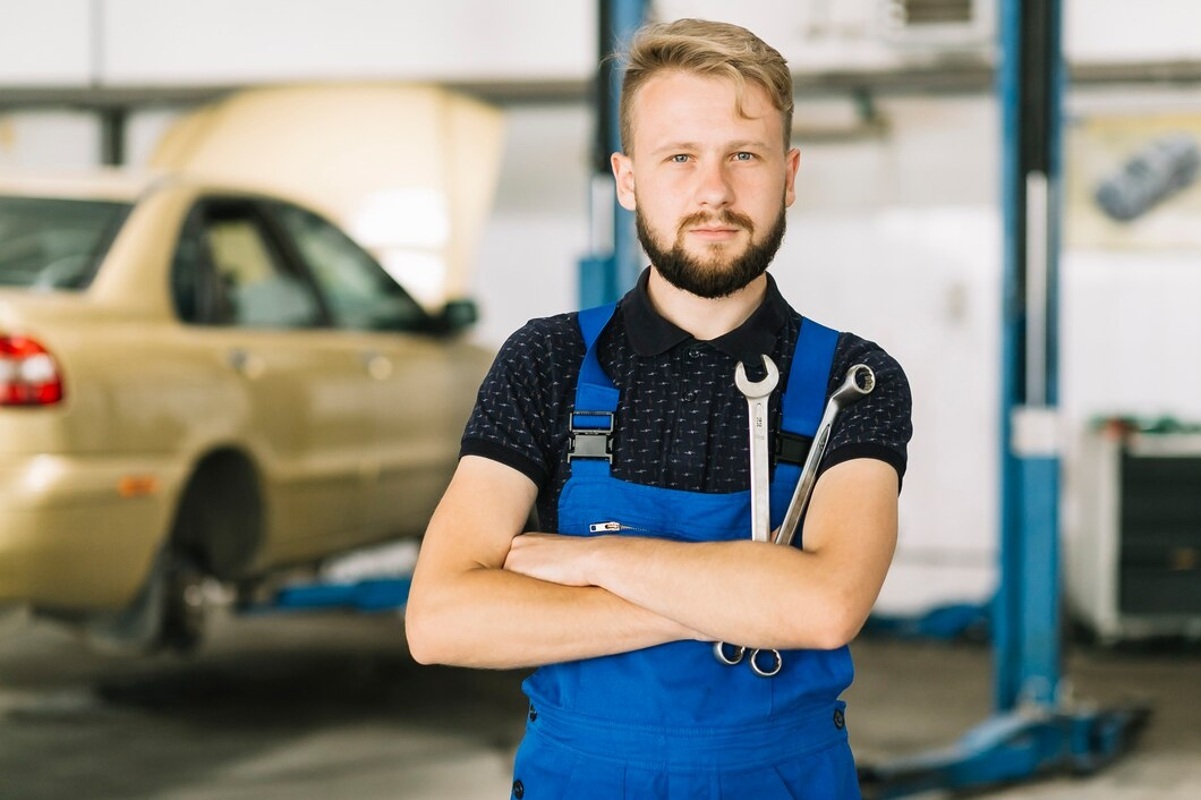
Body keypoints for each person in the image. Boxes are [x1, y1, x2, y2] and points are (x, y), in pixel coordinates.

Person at [406, 17, 913, 799]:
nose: (713, 191)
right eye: (679, 157)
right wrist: (744, 600)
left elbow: (822, 608)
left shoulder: (855, 378)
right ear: (628, 177)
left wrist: (586, 561)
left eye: (743, 155)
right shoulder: (545, 363)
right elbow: (441, 620)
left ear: (788, 174)